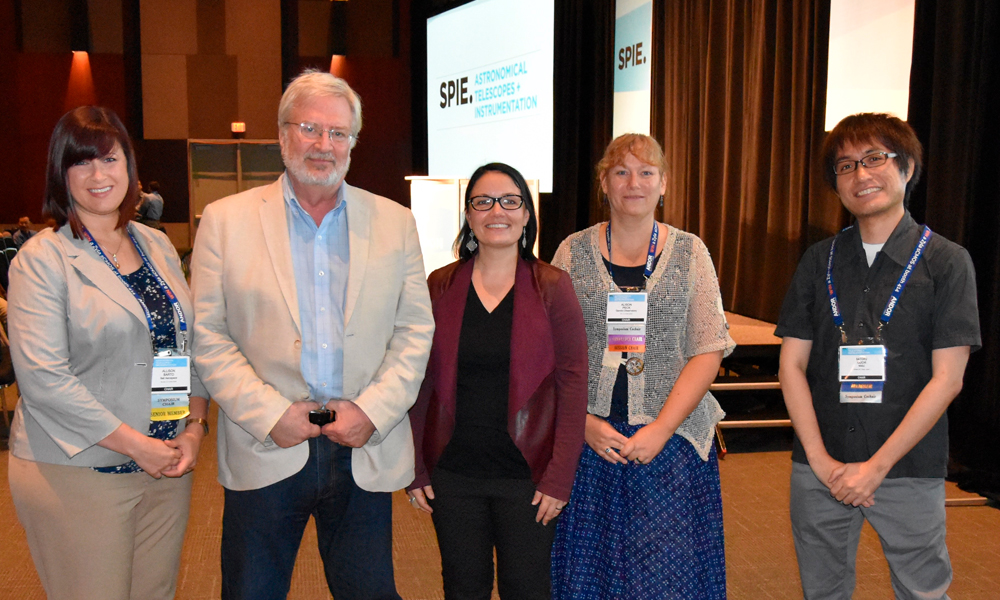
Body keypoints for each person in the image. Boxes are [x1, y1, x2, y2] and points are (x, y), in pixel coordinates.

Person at [190, 69, 434, 600]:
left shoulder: (394, 222)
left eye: (338, 133)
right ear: (282, 136)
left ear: (352, 142)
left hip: (361, 448)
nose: (324, 145)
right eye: (310, 128)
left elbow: (414, 331)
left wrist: (371, 411)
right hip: (267, 444)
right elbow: (208, 334)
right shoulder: (225, 221)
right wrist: (268, 414)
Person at [5, 106, 209, 600]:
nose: (99, 175)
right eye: (82, 163)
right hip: (79, 471)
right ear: (62, 173)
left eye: (110, 159)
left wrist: (193, 428)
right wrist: (138, 446)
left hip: (166, 468)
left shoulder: (156, 245)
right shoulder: (43, 259)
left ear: (129, 167)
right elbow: (45, 382)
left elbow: (180, 345)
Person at [776, 113, 980, 599]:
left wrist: (877, 467)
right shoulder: (816, 260)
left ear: (907, 168)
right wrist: (822, 462)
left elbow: (948, 379)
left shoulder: (947, 262)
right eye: (846, 166)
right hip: (819, 468)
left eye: (875, 159)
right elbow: (791, 365)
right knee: (821, 591)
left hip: (907, 468)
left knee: (922, 592)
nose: (861, 174)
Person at [550, 133, 735, 599]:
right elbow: (550, 352)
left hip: (671, 445)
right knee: (590, 575)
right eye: (621, 171)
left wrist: (661, 429)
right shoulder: (572, 252)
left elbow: (708, 348)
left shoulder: (692, 253)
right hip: (592, 445)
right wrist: (582, 423)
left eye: (646, 172)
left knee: (666, 577)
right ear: (604, 184)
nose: (634, 182)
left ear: (664, 183)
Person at [406, 163, 589, 599]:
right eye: (482, 202)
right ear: (469, 215)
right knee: (462, 588)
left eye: (510, 200)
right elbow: (419, 383)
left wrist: (559, 478)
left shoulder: (552, 286)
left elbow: (573, 384)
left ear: (527, 214)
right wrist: (414, 466)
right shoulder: (440, 285)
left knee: (526, 589)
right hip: (453, 474)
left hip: (528, 477)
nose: (497, 211)